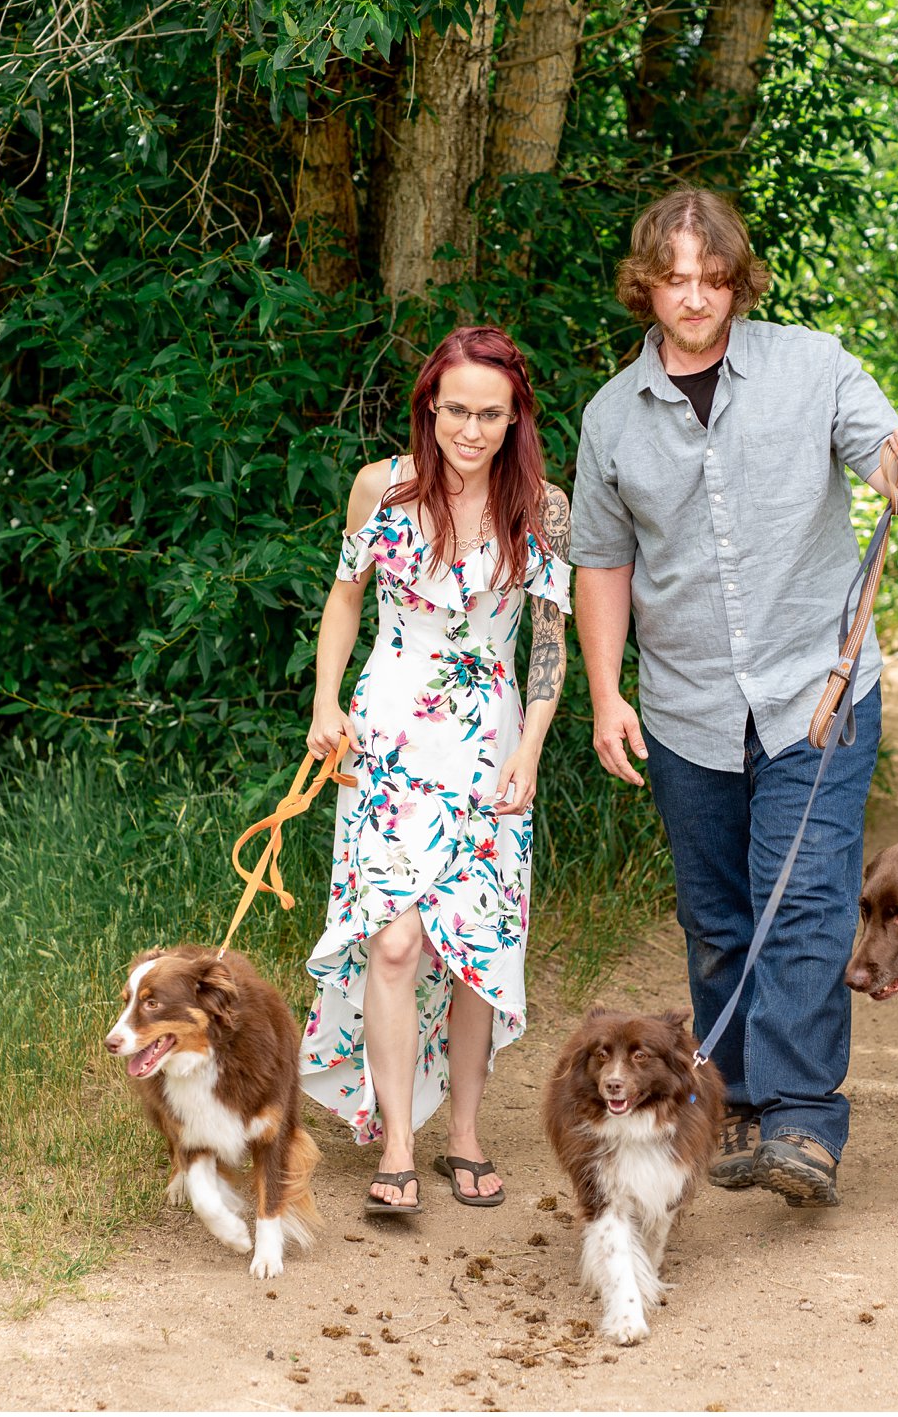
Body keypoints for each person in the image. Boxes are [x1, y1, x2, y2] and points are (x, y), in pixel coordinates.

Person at [569, 188, 898, 1208]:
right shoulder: (610, 418)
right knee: (717, 917)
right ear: (644, 285)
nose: (693, 297)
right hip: (686, 706)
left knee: (810, 904)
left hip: (813, 690)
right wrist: (607, 694)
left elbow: (889, 469)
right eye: (673, 278)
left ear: (737, 279)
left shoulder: (811, 364)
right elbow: (600, 566)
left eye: (712, 276)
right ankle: (732, 1103)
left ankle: (803, 1122)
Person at [301, 325, 573, 1215]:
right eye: (456, 408)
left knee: (471, 953)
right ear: (430, 404)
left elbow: (548, 643)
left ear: (514, 416)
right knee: (392, 939)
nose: (471, 428)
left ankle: (463, 1131)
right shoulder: (381, 488)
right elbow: (345, 597)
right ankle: (396, 1143)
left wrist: (530, 750)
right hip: (386, 741)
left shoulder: (544, 505)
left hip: (492, 746)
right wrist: (324, 703)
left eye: (491, 413)